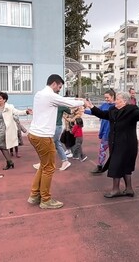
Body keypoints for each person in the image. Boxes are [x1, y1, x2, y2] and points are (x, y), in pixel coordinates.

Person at [27, 74, 85, 209]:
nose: (59, 90)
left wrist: (77, 99)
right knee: (49, 168)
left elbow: (65, 99)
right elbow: (69, 103)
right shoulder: (50, 95)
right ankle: (45, 200)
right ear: (54, 84)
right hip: (43, 137)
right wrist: (83, 102)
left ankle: (34, 195)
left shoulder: (39, 94)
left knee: (43, 165)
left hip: (34, 135)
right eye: (59, 87)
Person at [84, 91, 139, 198]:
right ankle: (129, 189)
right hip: (115, 142)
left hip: (127, 144)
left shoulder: (131, 110)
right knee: (124, 165)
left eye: (118, 99)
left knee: (116, 165)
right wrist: (91, 106)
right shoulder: (113, 110)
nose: (115, 101)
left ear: (124, 101)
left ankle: (116, 189)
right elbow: (103, 114)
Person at [33, 105, 72, 171]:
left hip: (55, 127)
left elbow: (70, 111)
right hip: (53, 127)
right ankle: (65, 161)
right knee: (56, 144)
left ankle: (44, 163)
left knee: (47, 144)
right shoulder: (53, 105)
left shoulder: (59, 105)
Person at [86, 89, 115, 174]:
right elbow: (95, 112)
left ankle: (113, 167)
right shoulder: (104, 105)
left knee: (113, 152)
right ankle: (100, 166)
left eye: (108, 97)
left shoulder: (115, 107)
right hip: (105, 132)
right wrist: (84, 111)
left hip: (113, 133)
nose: (106, 99)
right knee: (102, 150)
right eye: (105, 97)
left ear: (113, 97)